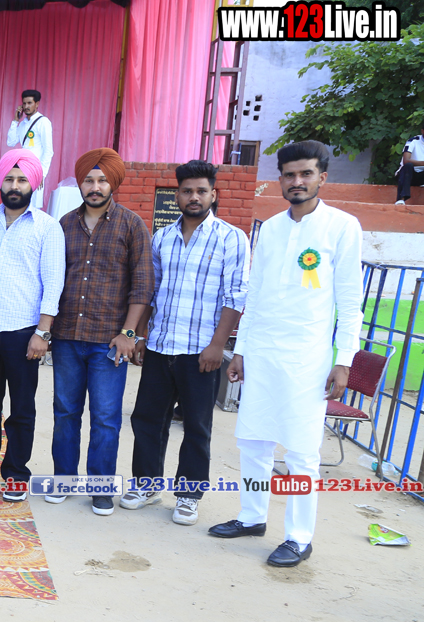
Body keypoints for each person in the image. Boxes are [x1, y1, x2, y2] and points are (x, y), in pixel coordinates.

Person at [209, 141, 363, 567]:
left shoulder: (342, 227)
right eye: (289, 174)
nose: (297, 181)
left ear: (322, 178)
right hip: (262, 353)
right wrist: (241, 350)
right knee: (253, 441)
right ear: (280, 179)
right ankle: (252, 516)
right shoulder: (272, 228)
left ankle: (298, 537)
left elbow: (351, 302)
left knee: (300, 451)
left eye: (306, 174)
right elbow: (256, 294)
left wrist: (344, 360)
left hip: (307, 357)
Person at [121, 160, 249, 525]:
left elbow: (236, 295)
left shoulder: (231, 238)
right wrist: (141, 335)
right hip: (161, 346)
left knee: (196, 426)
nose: (194, 197)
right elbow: (150, 290)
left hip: (201, 351)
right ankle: (146, 485)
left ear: (213, 195)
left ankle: (189, 495)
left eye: (201, 191)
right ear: (176, 195)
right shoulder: (162, 237)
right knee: (148, 419)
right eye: (187, 191)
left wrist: (218, 345)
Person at [49, 147, 152, 515]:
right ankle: (64, 479)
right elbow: (52, 278)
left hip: (110, 342)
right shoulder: (63, 225)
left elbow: (143, 285)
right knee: (65, 412)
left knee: (106, 417)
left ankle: (101, 487)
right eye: (89, 180)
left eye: (102, 181)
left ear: (113, 184)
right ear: (80, 184)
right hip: (67, 337)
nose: (95, 187)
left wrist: (129, 334)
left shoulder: (132, 225)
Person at [0, 149, 65, 501]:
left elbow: (53, 283)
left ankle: (17, 473)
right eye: (9, 179)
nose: (15, 185)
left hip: (24, 333)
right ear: (0, 183)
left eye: (22, 179)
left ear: (33, 184)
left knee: (21, 409)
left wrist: (42, 333)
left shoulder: (47, 227)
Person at [6, 90, 53, 212]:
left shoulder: (43, 122)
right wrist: (15, 121)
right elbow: (10, 142)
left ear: (37, 104)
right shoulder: (22, 124)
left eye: (29, 103)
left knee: (33, 206)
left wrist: (42, 173)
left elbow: (48, 150)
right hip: (22, 168)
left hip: (36, 169)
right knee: (21, 202)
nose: (26, 106)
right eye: (24, 103)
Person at [396, 122, 424, 205]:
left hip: (421, 177)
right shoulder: (413, 141)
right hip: (407, 175)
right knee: (408, 165)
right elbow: (406, 160)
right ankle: (401, 199)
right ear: (422, 131)